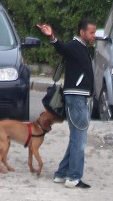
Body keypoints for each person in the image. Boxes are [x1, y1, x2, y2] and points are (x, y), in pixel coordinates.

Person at [36, 18, 97, 188]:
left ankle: (61, 174)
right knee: (80, 141)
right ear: (82, 32)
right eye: (91, 33)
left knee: (75, 139)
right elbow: (61, 48)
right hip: (77, 98)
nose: (94, 36)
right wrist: (52, 36)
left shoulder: (84, 48)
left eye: (94, 33)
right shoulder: (74, 46)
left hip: (79, 97)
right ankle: (74, 177)